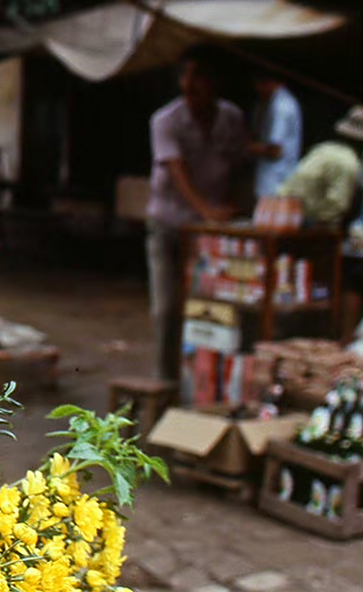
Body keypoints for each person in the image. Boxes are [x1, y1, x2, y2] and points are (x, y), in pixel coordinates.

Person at [145, 45, 250, 382]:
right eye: (186, 77)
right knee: (166, 309)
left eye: (199, 77)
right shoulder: (166, 120)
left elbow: (238, 165)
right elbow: (177, 170)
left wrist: (234, 210)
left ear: (214, 82)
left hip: (209, 232)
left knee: (211, 308)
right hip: (169, 224)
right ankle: (166, 381)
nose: (191, 86)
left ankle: (203, 385)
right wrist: (207, 211)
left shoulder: (231, 118)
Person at [278, 105, 363, 229]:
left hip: (285, 210)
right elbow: (337, 203)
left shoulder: (322, 149)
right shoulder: (348, 163)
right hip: (307, 221)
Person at [250, 73, 302, 202]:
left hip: (277, 185)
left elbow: (276, 150)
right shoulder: (271, 103)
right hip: (269, 184)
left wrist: (244, 146)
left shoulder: (281, 107)